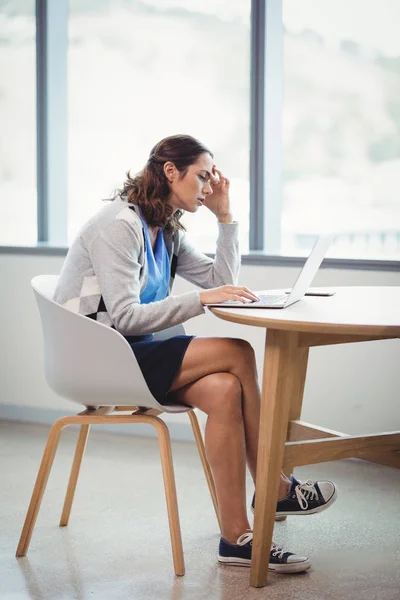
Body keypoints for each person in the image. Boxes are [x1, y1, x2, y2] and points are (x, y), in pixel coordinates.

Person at [54, 134, 337, 574]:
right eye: (202, 176)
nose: (208, 187)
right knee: (238, 351)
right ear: (171, 172)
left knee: (224, 390)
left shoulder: (164, 227)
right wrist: (202, 299)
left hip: (138, 352)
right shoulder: (119, 225)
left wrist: (226, 219)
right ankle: (277, 487)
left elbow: (220, 278)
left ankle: (236, 537)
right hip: (102, 357)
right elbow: (126, 318)